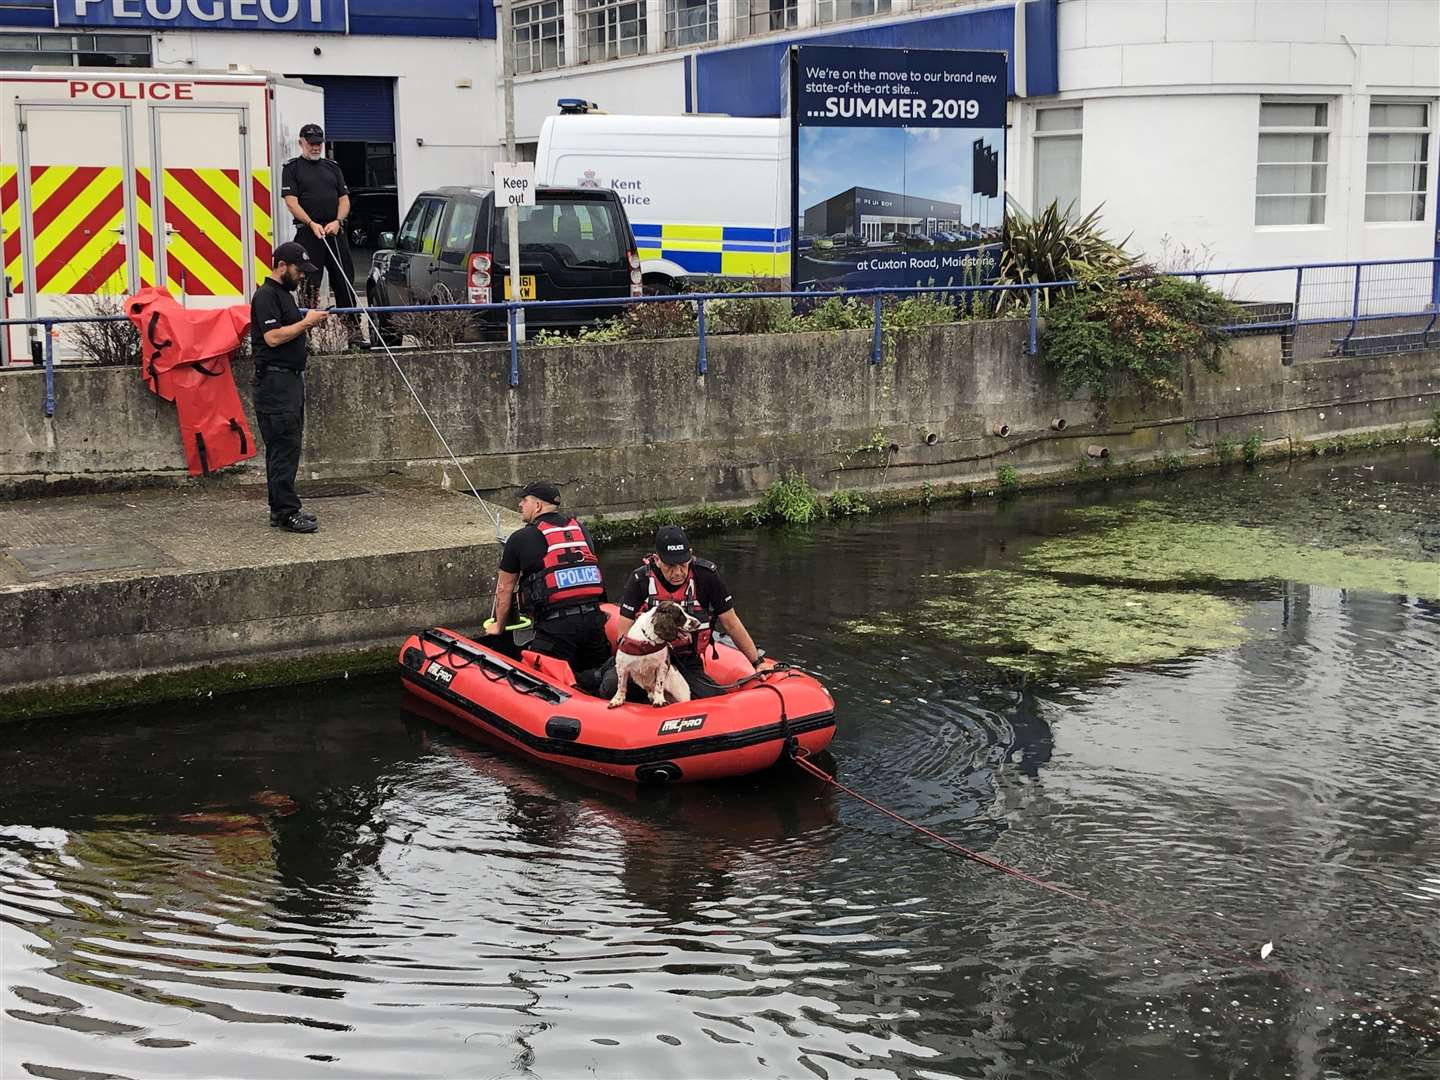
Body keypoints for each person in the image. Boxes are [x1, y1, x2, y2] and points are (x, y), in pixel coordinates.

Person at [609, 524, 763, 700]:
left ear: (691, 554)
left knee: (713, 700)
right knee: (610, 686)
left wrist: (757, 663)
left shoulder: (706, 576)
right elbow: (623, 635)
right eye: (670, 566)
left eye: (683, 564)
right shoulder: (640, 580)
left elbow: (731, 622)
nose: (678, 572)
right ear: (657, 560)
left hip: (686, 660)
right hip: (644, 657)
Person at [485, 481, 611, 685]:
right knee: (598, 676)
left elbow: (504, 588)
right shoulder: (581, 530)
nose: (520, 505)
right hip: (594, 621)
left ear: (537, 506)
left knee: (539, 683)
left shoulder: (520, 538)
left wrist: (498, 626)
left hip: (556, 629)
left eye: (524, 500)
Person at [251, 241, 329, 533]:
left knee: (288, 446)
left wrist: (309, 321)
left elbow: (289, 331)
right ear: (282, 266)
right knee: (283, 447)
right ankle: (286, 512)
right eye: (298, 271)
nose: (302, 277)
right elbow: (272, 337)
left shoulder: (284, 295)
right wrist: (306, 323)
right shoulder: (266, 296)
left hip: (289, 380)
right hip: (274, 382)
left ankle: (280, 508)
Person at [279, 124, 359, 319]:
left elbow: (344, 199)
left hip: (333, 231)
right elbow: (291, 202)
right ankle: (306, 335)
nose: (315, 147)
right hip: (309, 233)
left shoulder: (332, 167)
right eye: (311, 143)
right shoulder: (292, 169)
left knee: (344, 280)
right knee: (308, 284)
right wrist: (311, 223)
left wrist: (338, 220)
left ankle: (353, 331)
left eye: (319, 144)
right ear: (301, 143)